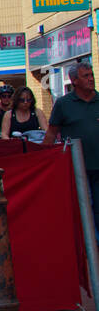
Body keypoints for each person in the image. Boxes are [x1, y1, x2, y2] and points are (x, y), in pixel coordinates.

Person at [43, 63, 99, 245]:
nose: (91, 79)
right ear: (74, 81)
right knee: (83, 208)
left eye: (91, 75)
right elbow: (51, 133)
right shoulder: (63, 104)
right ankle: (85, 246)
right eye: (85, 76)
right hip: (77, 168)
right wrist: (44, 162)